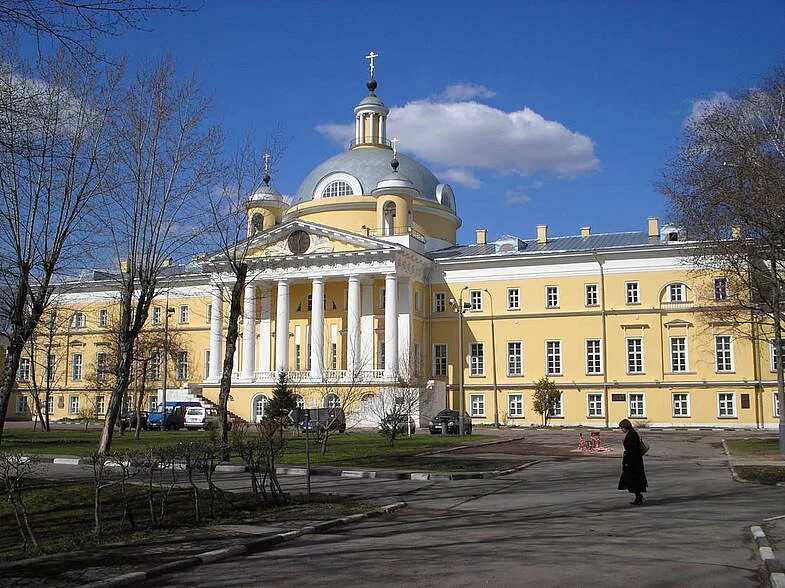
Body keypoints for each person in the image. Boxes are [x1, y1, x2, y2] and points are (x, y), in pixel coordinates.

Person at [618, 418, 647, 505]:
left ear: (625, 427)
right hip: (634, 461)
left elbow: (632, 450)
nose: (621, 430)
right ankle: (638, 496)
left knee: (633, 479)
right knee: (634, 480)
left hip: (632, 462)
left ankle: (638, 496)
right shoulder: (632, 433)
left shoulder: (631, 435)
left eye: (622, 428)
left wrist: (627, 462)